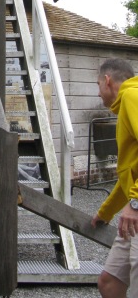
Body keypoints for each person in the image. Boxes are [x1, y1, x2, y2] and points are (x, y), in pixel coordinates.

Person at [91, 58, 138, 297]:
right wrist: (106, 212)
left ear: (107, 81)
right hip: (133, 216)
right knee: (109, 282)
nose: (98, 93)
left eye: (98, 85)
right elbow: (128, 174)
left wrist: (136, 204)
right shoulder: (125, 107)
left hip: (137, 211)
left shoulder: (133, 98)